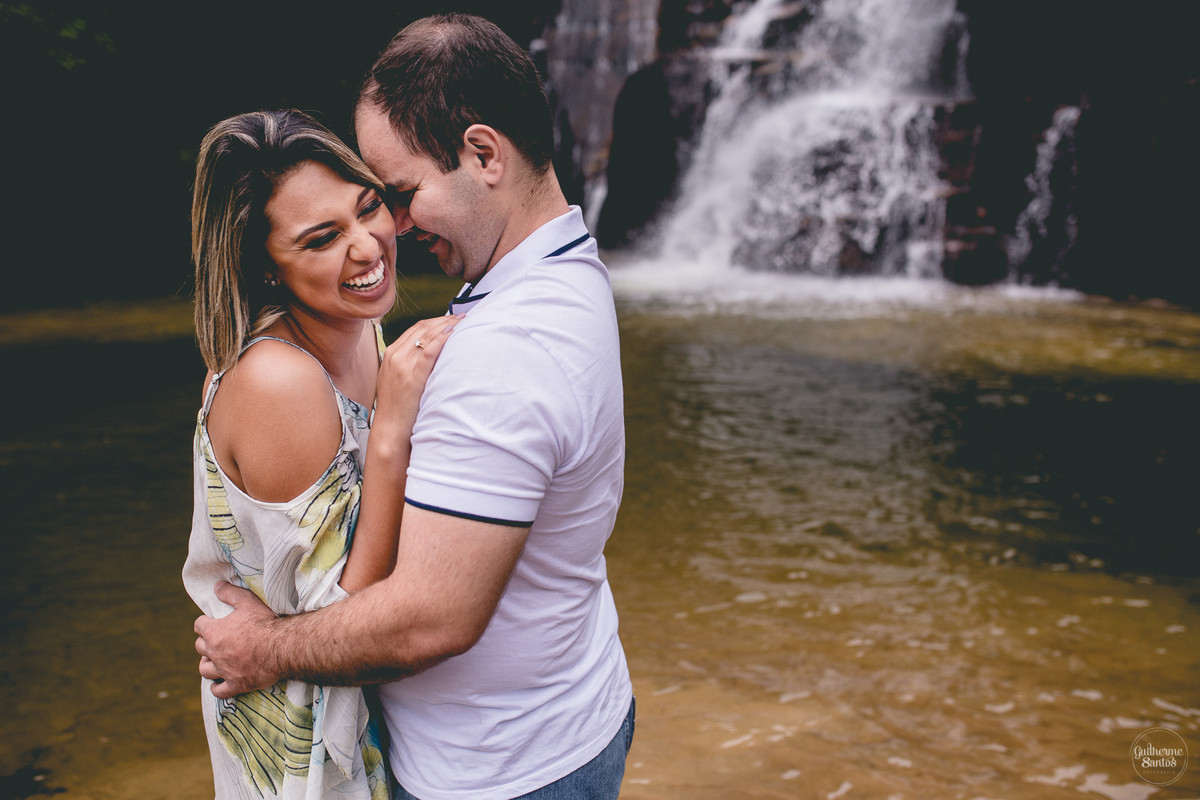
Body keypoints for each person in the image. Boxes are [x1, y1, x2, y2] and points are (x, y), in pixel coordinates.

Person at [193, 14, 635, 800]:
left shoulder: (494, 348)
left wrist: (267, 651)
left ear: (483, 154)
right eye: (323, 235)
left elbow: (431, 617)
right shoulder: (569, 267)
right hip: (543, 720)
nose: (386, 231)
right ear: (269, 269)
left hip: (506, 768)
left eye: (389, 198)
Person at [183, 109, 459, 799]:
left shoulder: (356, 328)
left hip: (386, 737)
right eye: (321, 239)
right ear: (267, 269)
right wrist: (393, 428)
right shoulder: (280, 381)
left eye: (369, 208)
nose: (367, 247)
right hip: (313, 766)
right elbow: (346, 624)